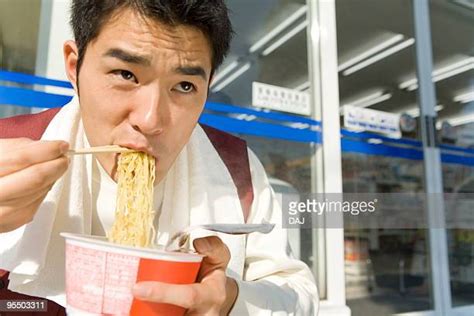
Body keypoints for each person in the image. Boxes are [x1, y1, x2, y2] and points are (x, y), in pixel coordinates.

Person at [0, 1, 319, 315]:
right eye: (125, 74)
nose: (151, 120)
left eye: (184, 85)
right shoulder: (9, 145)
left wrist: (230, 300)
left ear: (207, 88)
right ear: (74, 66)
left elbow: (299, 295)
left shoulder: (238, 171)